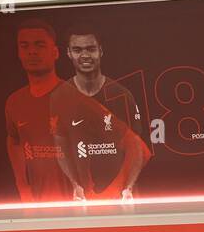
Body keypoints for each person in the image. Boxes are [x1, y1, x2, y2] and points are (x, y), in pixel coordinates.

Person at [49, 26, 151, 200]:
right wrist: (75, 185)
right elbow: (60, 148)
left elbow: (137, 147)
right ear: (68, 53)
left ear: (100, 51)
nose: (85, 55)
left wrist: (128, 187)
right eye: (77, 50)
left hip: (120, 195)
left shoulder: (121, 95)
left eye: (91, 49)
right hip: (84, 197)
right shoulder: (59, 96)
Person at [3, 20, 74, 202]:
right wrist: (22, 186)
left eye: (39, 45)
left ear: (55, 52)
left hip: (77, 207)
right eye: (24, 46)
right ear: (18, 53)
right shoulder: (14, 101)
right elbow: (14, 140)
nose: (32, 51)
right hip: (36, 206)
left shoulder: (75, 97)